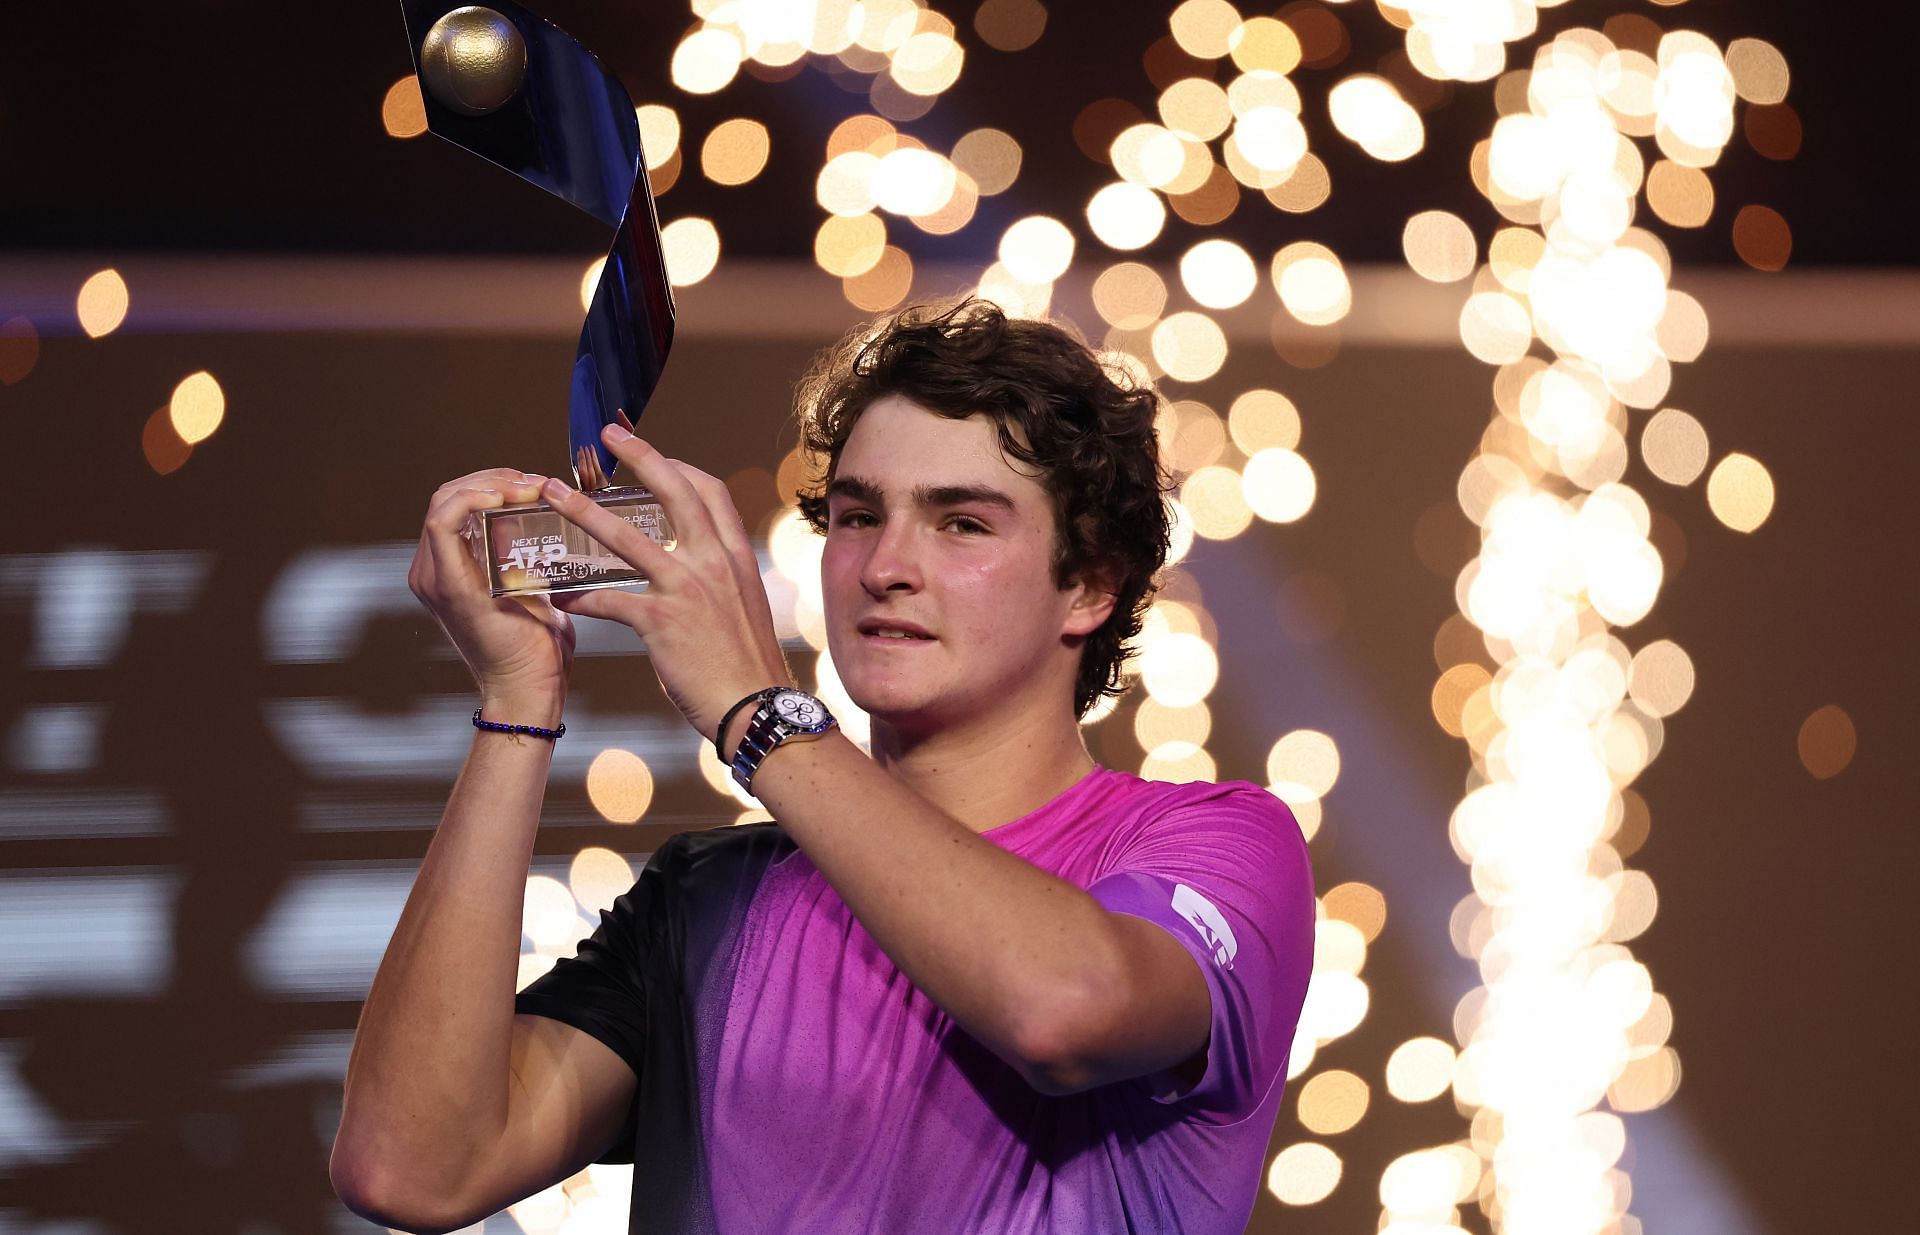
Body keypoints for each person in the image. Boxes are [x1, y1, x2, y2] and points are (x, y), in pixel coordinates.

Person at [329, 298, 1316, 1234]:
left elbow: (1064, 1007)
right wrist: (515, 704)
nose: (885, 563)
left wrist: (757, 710)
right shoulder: (706, 897)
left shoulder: (1217, 841)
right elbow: (408, 1166)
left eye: (961, 522)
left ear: (1090, 586)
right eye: (855, 514)